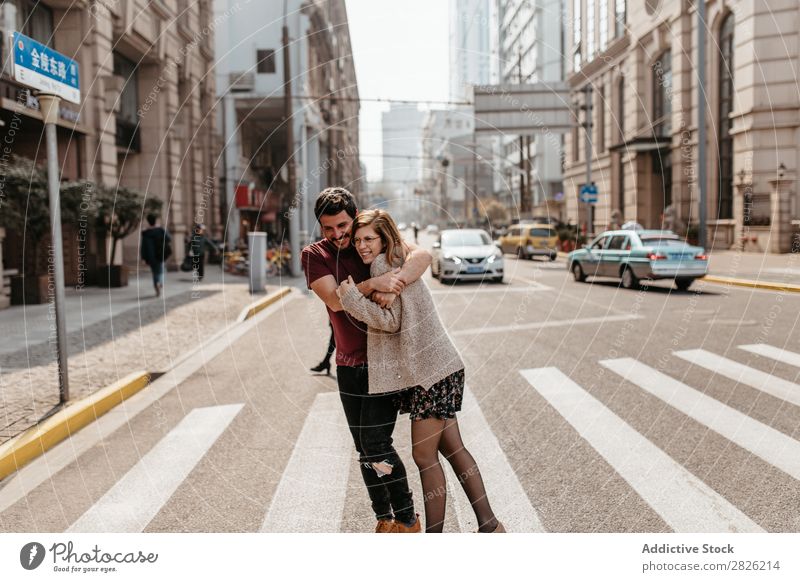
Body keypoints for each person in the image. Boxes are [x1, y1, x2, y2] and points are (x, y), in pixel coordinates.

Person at [337, 209, 504, 534]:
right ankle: (490, 526)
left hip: (432, 374)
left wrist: (351, 299)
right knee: (453, 450)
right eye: (357, 240)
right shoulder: (397, 258)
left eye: (368, 238)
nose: (361, 245)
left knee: (424, 457)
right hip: (439, 368)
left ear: (384, 237)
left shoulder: (385, 264)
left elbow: (390, 321)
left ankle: (436, 537)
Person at [301, 187, 432, 533]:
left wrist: (396, 282)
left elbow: (423, 255)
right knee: (364, 450)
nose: (338, 235)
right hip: (347, 366)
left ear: (354, 216)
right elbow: (334, 300)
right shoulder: (315, 254)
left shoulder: (367, 241)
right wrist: (375, 281)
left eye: (342, 225)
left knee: (377, 445)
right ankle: (384, 518)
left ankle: (407, 518)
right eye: (328, 228)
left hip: (384, 363)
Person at [141, 214, 172, 297]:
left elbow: (143, 246)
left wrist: (143, 257)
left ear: (148, 222)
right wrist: (162, 229)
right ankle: (159, 283)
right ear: (155, 221)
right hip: (160, 254)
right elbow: (169, 238)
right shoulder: (160, 230)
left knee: (154, 272)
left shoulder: (145, 233)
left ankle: (156, 285)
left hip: (150, 256)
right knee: (161, 271)